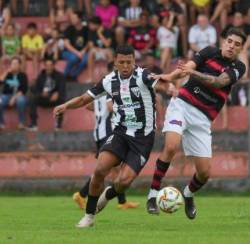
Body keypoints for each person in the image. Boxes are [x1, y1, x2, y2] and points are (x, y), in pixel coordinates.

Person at [53, 45, 170, 228]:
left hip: (142, 139)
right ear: (115, 62)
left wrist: (170, 88)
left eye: (128, 62)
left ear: (133, 61)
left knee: (123, 182)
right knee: (100, 169)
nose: (125, 66)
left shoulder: (143, 75)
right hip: (120, 133)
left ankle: (108, 195)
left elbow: (161, 84)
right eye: (121, 62)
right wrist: (66, 106)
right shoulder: (108, 81)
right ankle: (89, 216)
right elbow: (85, 99)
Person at [146, 28, 246, 220]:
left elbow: (218, 82)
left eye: (237, 44)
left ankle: (188, 194)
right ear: (223, 41)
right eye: (230, 41)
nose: (232, 46)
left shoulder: (239, 67)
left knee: (204, 173)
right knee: (171, 146)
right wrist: (169, 76)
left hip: (202, 119)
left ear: (241, 48)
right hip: (182, 106)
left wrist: (192, 72)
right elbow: (186, 68)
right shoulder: (209, 52)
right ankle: (152, 195)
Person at [73, 94, 139, 210]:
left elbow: (88, 105)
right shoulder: (110, 88)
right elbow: (110, 107)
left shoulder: (99, 91)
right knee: (105, 168)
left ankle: (122, 202)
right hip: (108, 132)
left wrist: (99, 110)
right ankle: (81, 194)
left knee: (113, 168)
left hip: (98, 132)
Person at [28, 58, 66, 131]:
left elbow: (62, 88)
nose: (48, 67)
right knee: (32, 98)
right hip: (43, 98)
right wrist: (41, 94)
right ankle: (34, 124)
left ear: (53, 66)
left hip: (55, 98)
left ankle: (58, 125)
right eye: (47, 65)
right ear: (45, 66)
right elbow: (36, 89)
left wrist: (57, 93)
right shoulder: (41, 76)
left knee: (62, 101)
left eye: (50, 65)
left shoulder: (59, 76)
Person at [0, 57, 28, 130]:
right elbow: (1, 82)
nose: (13, 65)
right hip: (6, 95)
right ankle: (1, 124)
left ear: (19, 65)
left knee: (21, 101)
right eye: (12, 63)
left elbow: (24, 90)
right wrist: (6, 72)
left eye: (15, 63)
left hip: (19, 95)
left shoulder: (23, 75)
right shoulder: (8, 74)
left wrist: (14, 98)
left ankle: (21, 123)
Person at [62, 11, 89, 81]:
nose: (72, 19)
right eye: (71, 18)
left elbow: (89, 43)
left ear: (79, 19)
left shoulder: (86, 29)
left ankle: (74, 75)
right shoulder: (69, 28)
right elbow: (66, 44)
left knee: (85, 59)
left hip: (82, 52)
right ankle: (64, 76)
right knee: (74, 58)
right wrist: (77, 53)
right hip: (68, 52)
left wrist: (83, 51)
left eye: (74, 18)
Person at [87, 16, 114, 83]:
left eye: (91, 24)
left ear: (96, 24)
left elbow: (107, 44)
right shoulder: (91, 32)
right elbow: (91, 46)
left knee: (109, 52)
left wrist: (99, 34)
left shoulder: (107, 30)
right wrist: (98, 49)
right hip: (97, 51)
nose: (89, 26)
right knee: (91, 52)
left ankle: (111, 76)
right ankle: (90, 77)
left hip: (106, 51)